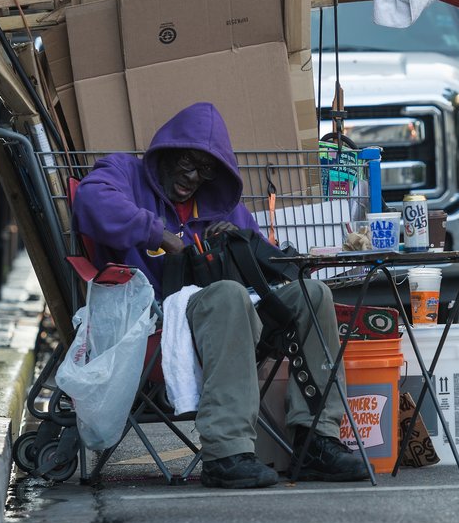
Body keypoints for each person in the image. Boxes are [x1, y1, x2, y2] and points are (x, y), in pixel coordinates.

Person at [72, 102, 368, 489]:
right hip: (153, 316)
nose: (194, 177)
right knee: (227, 294)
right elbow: (91, 203)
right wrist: (160, 234)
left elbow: (264, 262)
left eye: (206, 169)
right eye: (188, 164)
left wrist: (239, 242)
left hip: (228, 316)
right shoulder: (124, 173)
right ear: (167, 152)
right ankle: (226, 453)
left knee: (313, 295)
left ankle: (317, 439)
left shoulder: (217, 203)